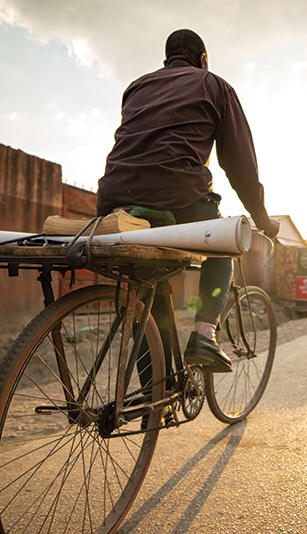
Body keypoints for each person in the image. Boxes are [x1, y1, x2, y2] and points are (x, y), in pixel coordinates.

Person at [97, 29, 280, 373]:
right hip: (178, 193)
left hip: (115, 200)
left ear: (167, 59)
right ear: (203, 60)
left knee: (147, 284)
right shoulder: (214, 85)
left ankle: (155, 393)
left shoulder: (135, 88)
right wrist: (263, 217)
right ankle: (204, 337)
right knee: (223, 246)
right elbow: (240, 165)